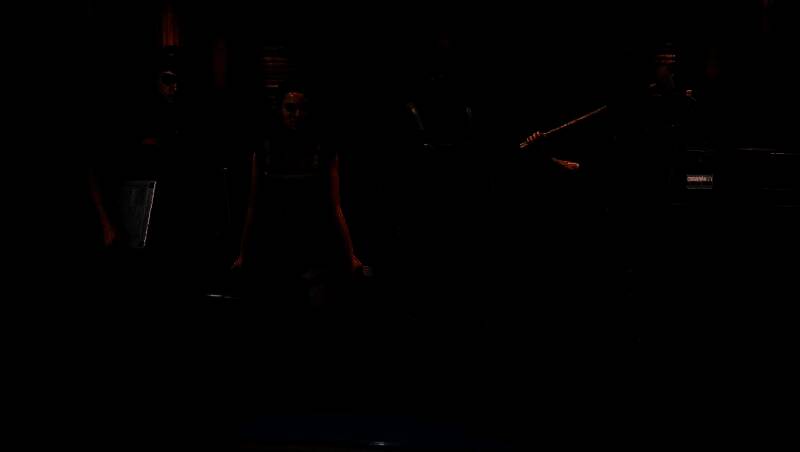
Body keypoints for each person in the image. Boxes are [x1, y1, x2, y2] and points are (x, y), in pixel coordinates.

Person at [232, 84, 362, 305]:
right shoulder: (266, 149)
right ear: (280, 110)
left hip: (313, 240)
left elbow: (334, 205)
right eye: (290, 108)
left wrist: (349, 254)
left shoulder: (322, 148)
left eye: (302, 109)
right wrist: (243, 253)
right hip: (276, 240)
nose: (297, 114)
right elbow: (253, 203)